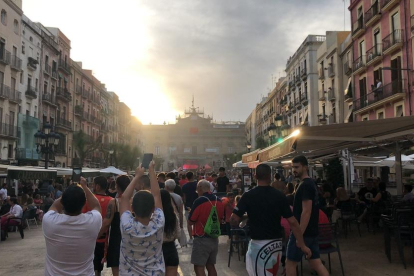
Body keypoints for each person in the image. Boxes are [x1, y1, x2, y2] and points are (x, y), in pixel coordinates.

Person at [231, 164, 311, 276]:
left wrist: (248, 216)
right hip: (276, 244)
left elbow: (234, 219)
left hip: (258, 244)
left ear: (255, 176)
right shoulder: (280, 196)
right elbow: (292, 222)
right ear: (270, 176)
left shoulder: (248, 195)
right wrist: (302, 244)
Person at [43, 177, 102, 276]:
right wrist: (84, 186)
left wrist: (68, 193)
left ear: (63, 202)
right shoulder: (92, 222)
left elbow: (55, 206)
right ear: (84, 203)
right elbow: (96, 206)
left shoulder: (49, 221)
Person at [118, 161, 165, 275]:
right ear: (153, 209)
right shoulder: (158, 222)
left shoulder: (127, 226)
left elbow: (124, 198)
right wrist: (151, 171)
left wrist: (137, 176)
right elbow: (156, 195)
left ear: (132, 209)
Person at [286, 156, 329, 276]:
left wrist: (299, 236)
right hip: (312, 231)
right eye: (293, 167)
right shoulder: (311, 183)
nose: (294, 170)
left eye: (296, 167)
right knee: (316, 263)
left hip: (303, 233)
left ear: (305, 167)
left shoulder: (305, 185)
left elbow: (306, 211)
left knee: (290, 263)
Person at [189, 180, 224, 276]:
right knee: (210, 265)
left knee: (199, 266)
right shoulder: (219, 200)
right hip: (214, 237)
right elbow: (221, 218)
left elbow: (191, 221)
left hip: (201, 238)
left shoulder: (199, 201)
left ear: (200, 187)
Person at [98, 175, 131, 276]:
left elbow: (106, 223)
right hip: (131, 240)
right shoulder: (134, 201)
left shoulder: (114, 202)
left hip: (116, 241)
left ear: (116, 186)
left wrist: (96, 235)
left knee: (116, 271)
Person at [82, 176, 113, 276]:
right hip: (103, 240)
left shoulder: (88, 200)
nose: (92, 186)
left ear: (98, 186)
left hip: (88, 238)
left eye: (93, 184)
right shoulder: (112, 201)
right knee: (98, 267)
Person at [160, 190, 180, 276]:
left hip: (158, 250)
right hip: (171, 249)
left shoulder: (154, 217)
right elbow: (178, 234)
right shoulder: (173, 216)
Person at [182, 171, 198, 245]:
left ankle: (191, 238)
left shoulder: (184, 186)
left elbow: (184, 198)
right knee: (197, 222)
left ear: (186, 177)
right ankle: (197, 236)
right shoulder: (197, 185)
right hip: (197, 205)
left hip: (188, 206)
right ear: (193, 176)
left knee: (189, 223)